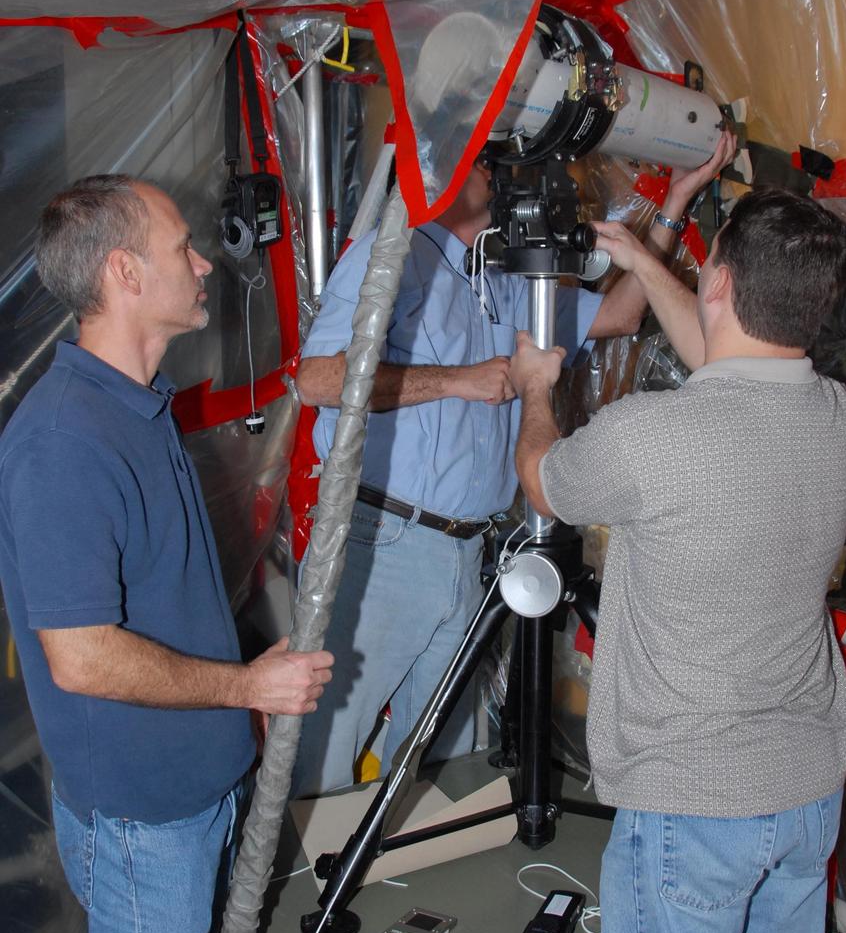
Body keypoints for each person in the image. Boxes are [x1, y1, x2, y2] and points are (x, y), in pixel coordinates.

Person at [509, 187, 846, 933]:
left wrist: (541, 383)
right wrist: (659, 267)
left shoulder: (648, 436)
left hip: (690, 806)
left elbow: (547, 480)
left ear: (722, 283)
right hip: (800, 793)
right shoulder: (834, 415)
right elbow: (739, 376)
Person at [0, 175, 334, 933]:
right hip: (143, 825)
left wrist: (238, 716)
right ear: (122, 271)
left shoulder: (137, 408)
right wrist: (246, 691)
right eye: (183, 247)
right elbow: (82, 652)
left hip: (193, 799)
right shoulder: (62, 441)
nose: (203, 264)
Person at [292, 136, 735, 795]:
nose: (502, 179)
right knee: (326, 748)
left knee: (440, 759)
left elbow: (618, 314)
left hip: (469, 553)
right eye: (484, 163)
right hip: (382, 542)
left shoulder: (507, 274)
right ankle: (304, 891)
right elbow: (320, 380)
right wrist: (456, 381)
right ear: (436, 172)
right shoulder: (396, 252)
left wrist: (672, 204)